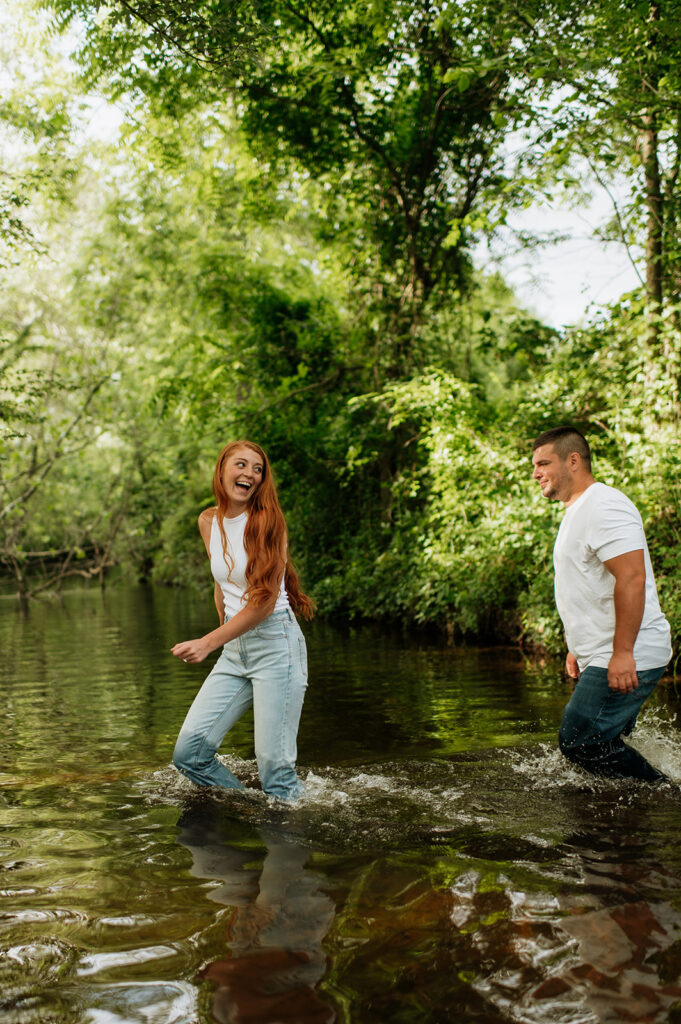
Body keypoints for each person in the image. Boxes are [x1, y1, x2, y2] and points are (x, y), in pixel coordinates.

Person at [171, 440, 314, 802]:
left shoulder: (269, 523)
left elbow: (265, 603)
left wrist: (208, 641)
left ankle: (284, 829)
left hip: (276, 645)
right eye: (241, 464)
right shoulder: (208, 521)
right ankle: (254, 810)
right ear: (222, 470)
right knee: (189, 755)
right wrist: (225, 634)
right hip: (235, 650)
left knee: (275, 772)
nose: (249, 473)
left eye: (257, 468)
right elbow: (221, 584)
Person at [531, 426, 672, 782]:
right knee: (604, 740)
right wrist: (576, 647)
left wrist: (623, 652)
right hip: (602, 651)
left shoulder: (605, 505)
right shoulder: (577, 512)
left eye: (543, 463)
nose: (535, 474)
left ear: (573, 460)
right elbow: (585, 585)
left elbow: (631, 578)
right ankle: (627, 818)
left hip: (629, 649)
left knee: (579, 742)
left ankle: (664, 796)